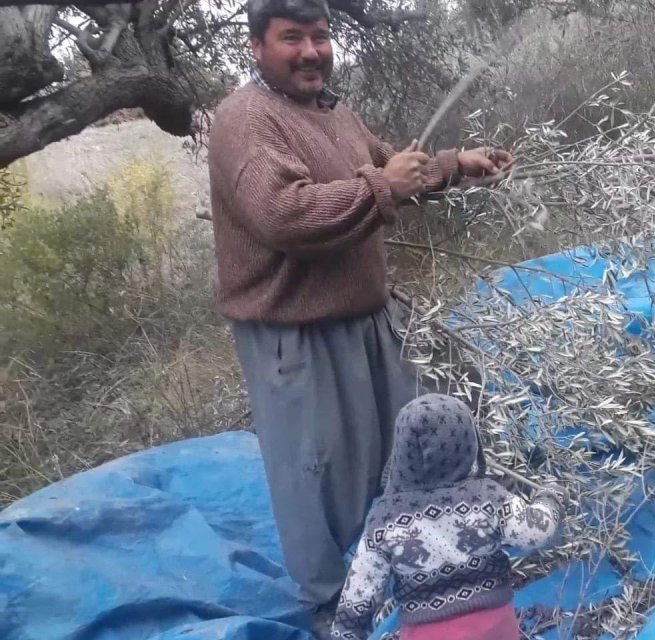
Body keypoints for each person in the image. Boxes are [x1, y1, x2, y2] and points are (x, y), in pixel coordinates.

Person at [205, 0, 514, 630]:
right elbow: (285, 216)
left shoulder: (331, 112)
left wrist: (457, 164)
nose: (312, 51)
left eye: (319, 37)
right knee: (316, 469)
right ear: (258, 46)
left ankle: (417, 556)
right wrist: (386, 186)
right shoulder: (245, 120)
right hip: (295, 332)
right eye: (293, 38)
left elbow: (389, 165)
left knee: (406, 439)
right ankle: (329, 603)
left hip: (366, 318)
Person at [330, 394, 564, 640]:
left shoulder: (385, 518)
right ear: (467, 442)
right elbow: (536, 531)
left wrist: (345, 633)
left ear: (401, 450)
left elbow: (360, 592)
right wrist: (550, 496)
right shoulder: (486, 496)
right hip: (494, 626)